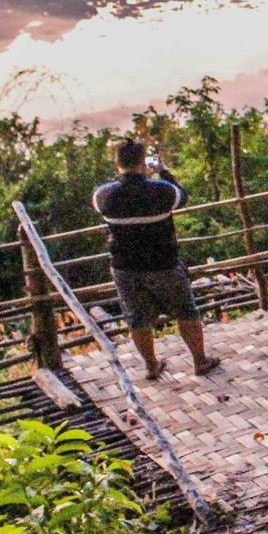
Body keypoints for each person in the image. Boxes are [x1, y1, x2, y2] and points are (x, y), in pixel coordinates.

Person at [93, 140, 220, 381]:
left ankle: (151, 365)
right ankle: (199, 360)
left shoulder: (104, 196)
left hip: (125, 267)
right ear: (143, 162)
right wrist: (162, 171)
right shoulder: (161, 191)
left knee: (136, 317)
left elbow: (104, 196)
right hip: (163, 263)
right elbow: (181, 196)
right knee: (185, 311)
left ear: (117, 162)